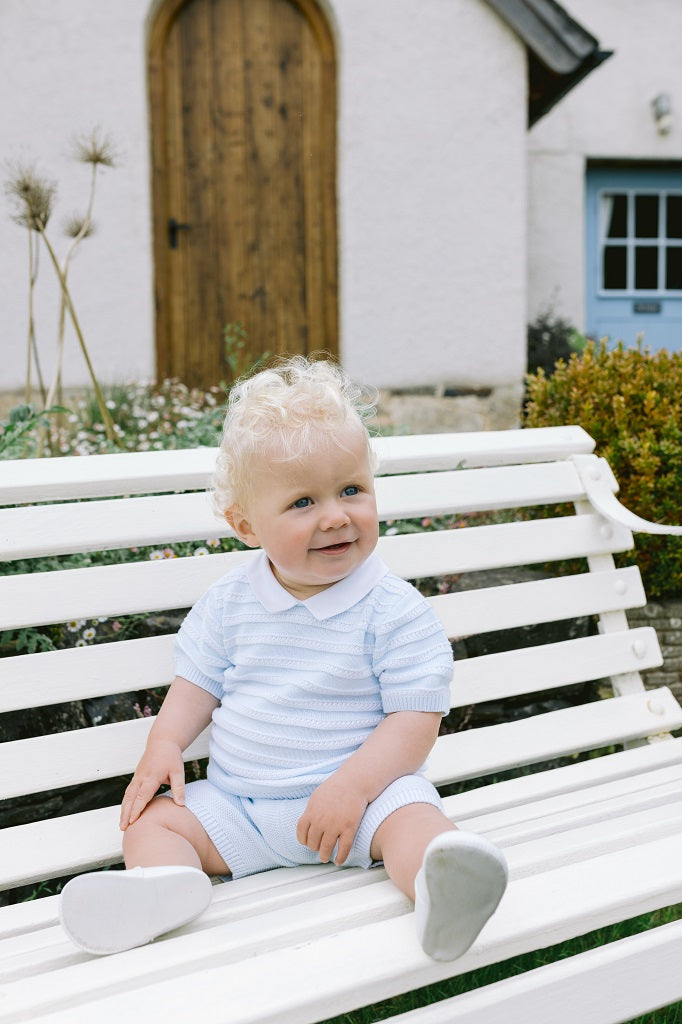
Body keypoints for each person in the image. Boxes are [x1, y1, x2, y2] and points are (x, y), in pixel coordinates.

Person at [59, 356, 507, 959]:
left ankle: (440, 887)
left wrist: (352, 787)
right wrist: (164, 744)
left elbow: (414, 721)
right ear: (247, 525)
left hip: (363, 804)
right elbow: (197, 684)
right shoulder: (229, 603)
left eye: (351, 489)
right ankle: (163, 889)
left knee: (416, 819)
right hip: (241, 809)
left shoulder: (394, 610)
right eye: (302, 502)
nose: (335, 515)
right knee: (156, 822)